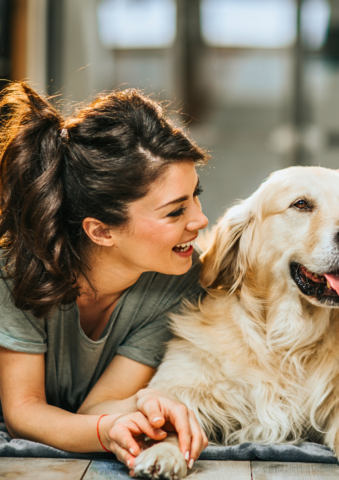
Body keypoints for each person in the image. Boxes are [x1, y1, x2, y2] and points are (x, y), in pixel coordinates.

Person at [0, 82, 209, 472]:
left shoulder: (178, 280)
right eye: (175, 211)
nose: (200, 219)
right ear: (101, 231)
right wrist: (106, 430)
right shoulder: (14, 272)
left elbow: (98, 407)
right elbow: (23, 413)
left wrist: (142, 404)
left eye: (197, 195)